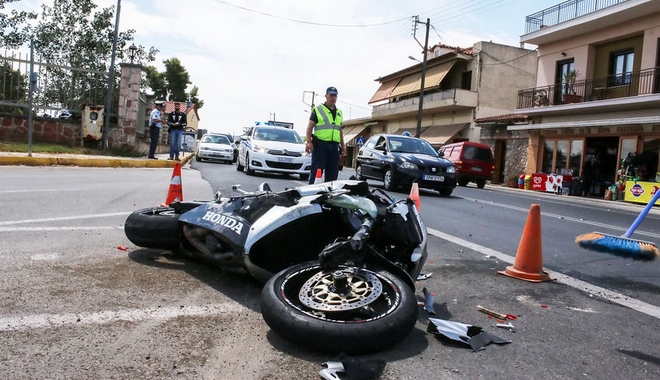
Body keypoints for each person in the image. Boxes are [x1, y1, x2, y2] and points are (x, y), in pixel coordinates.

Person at [305, 86, 345, 184]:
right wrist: (309, 142)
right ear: (326, 96)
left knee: (332, 175)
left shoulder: (339, 112)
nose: (333, 98)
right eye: (331, 95)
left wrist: (343, 146)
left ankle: (329, 196)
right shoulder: (318, 110)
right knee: (316, 172)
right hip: (320, 146)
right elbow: (310, 127)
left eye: (335, 96)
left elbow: (339, 130)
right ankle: (311, 194)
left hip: (334, 147)